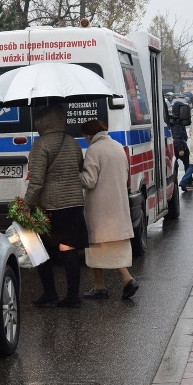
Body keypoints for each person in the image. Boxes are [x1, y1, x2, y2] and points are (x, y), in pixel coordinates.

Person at [24, 104, 88, 308]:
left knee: (39, 249)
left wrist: (26, 206)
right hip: (75, 204)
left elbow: (36, 182)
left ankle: (50, 293)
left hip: (51, 206)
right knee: (69, 248)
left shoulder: (40, 145)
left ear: (42, 122)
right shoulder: (73, 142)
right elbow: (80, 167)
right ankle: (72, 296)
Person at [79, 119, 139, 300]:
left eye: (84, 136)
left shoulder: (94, 150)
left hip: (100, 209)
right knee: (109, 247)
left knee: (97, 246)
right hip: (118, 206)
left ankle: (122, 280)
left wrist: (76, 174)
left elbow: (89, 181)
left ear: (89, 134)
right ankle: (100, 286)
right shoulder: (117, 146)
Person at [170, 97, 193, 191]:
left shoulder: (174, 119)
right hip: (180, 146)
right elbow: (178, 136)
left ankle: (187, 182)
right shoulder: (176, 121)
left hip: (176, 146)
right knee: (188, 164)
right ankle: (186, 182)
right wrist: (181, 148)